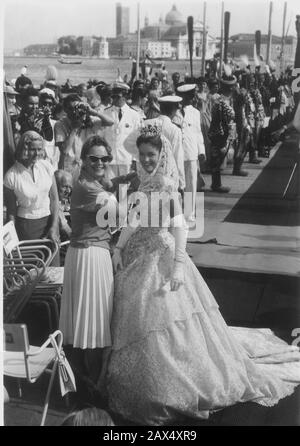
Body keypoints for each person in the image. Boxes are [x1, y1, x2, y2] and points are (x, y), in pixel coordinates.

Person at [103, 125, 300, 426]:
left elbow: (180, 227)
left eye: (151, 155)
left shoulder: (168, 186)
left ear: (162, 154)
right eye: (142, 155)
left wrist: (179, 264)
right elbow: (133, 220)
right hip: (136, 256)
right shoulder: (142, 185)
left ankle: (170, 383)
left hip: (161, 256)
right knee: (137, 320)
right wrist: (118, 247)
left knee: (165, 322)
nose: (145, 160)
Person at [59, 135, 118, 385]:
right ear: (83, 160)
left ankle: (82, 383)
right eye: (94, 158)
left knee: (85, 323)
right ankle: (91, 386)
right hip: (90, 256)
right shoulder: (88, 187)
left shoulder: (90, 182)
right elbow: (121, 213)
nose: (100, 162)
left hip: (86, 252)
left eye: (105, 158)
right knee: (94, 325)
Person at [3, 131, 59, 244]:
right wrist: (11, 239)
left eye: (39, 149)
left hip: (50, 223)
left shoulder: (46, 166)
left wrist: (54, 226)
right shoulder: (11, 176)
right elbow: (11, 211)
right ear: (24, 149)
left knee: (53, 260)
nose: (37, 153)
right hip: (26, 227)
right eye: (33, 149)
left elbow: (54, 199)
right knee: (33, 260)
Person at [54, 93, 114, 176]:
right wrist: (74, 129)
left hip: (87, 167)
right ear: (65, 109)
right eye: (70, 109)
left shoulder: (89, 120)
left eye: (76, 108)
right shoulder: (60, 124)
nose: (74, 112)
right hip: (69, 168)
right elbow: (64, 151)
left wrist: (93, 111)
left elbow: (111, 122)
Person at [177, 83, 206, 220]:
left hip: (191, 152)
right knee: (176, 183)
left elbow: (198, 133)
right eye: (190, 96)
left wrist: (201, 151)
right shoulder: (174, 111)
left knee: (191, 183)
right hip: (176, 153)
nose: (193, 98)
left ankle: (189, 212)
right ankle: (176, 211)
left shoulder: (195, 112)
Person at [102, 82, 142, 178]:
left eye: (117, 97)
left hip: (126, 160)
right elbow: (101, 137)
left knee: (124, 190)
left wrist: (135, 160)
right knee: (110, 190)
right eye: (113, 96)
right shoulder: (105, 113)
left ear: (125, 96)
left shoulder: (134, 115)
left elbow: (138, 139)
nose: (114, 99)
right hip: (109, 160)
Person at [208, 73, 237, 193]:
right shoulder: (220, 101)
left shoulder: (226, 100)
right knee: (217, 158)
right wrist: (226, 135)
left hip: (223, 132)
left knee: (219, 159)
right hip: (220, 133)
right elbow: (222, 120)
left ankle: (216, 183)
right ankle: (216, 184)